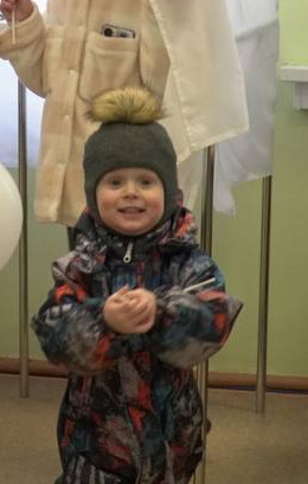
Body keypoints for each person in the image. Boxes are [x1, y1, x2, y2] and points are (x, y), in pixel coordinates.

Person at [33, 87, 242, 484]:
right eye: (115, 182)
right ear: (94, 196)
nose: (131, 192)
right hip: (93, 440)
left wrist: (159, 310)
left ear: (168, 191)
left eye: (145, 181)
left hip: (172, 436)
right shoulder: (79, 265)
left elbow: (213, 322)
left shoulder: (188, 262)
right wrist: (103, 320)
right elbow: (54, 335)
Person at [0, 0, 171, 234]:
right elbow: (47, 82)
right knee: (83, 288)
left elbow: (164, 90)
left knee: (133, 291)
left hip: (131, 190)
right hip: (78, 188)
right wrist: (25, 21)